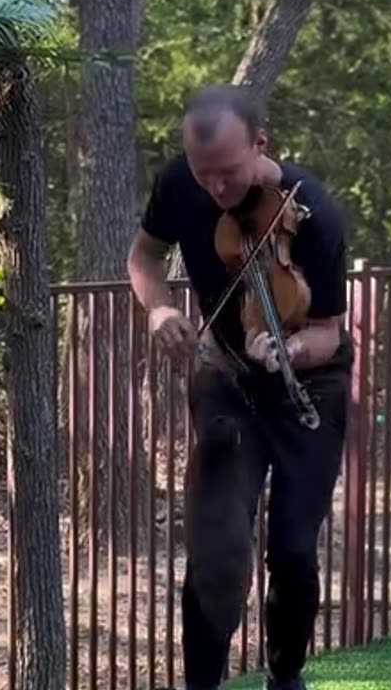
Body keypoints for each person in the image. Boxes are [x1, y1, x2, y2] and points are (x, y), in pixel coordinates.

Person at [126, 84, 353, 690]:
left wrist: (290, 349)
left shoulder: (316, 215)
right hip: (228, 380)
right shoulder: (180, 183)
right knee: (216, 547)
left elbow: (329, 333)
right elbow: (144, 258)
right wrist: (159, 309)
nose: (216, 189)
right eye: (204, 175)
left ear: (259, 142)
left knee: (294, 551)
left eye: (228, 173)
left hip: (312, 389)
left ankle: (285, 676)